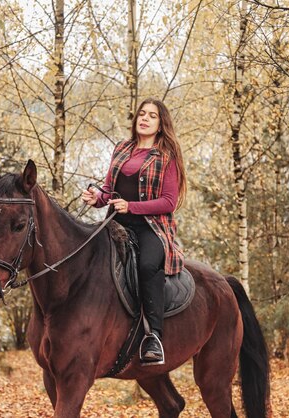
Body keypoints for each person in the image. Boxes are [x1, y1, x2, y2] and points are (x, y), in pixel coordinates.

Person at [82, 98, 187, 365]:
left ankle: (153, 336)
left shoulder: (166, 156)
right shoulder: (122, 148)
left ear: (161, 124)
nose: (145, 119)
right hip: (116, 223)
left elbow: (168, 201)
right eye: (142, 114)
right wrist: (97, 198)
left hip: (151, 227)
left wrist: (132, 206)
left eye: (152, 116)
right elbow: (108, 190)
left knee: (147, 266)